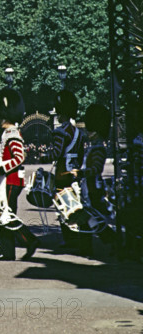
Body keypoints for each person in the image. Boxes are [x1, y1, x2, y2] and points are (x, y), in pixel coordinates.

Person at [0, 88, 40, 261]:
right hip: (8, 179)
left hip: (12, 179)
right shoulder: (7, 133)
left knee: (7, 215)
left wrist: (1, 169)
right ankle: (7, 252)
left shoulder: (12, 133)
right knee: (4, 215)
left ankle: (30, 240)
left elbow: (19, 157)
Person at [71, 103, 115, 257]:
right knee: (86, 217)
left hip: (93, 187)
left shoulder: (98, 149)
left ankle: (113, 241)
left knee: (94, 218)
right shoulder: (94, 147)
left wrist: (82, 173)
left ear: (95, 131)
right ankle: (85, 247)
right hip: (88, 187)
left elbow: (96, 169)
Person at [49, 90, 85, 247]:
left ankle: (69, 239)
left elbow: (56, 154)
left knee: (62, 205)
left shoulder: (61, 132)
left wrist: (43, 158)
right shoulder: (78, 132)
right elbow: (81, 154)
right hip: (75, 172)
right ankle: (78, 237)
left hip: (62, 173)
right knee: (76, 204)